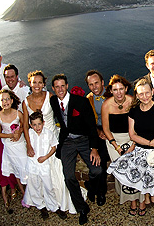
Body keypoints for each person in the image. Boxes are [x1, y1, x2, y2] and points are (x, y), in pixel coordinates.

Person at [107, 79, 154, 217]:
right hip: (141, 147)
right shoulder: (134, 112)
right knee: (127, 168)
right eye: (141, 94)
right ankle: (144, 196)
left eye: (147, 93)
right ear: (137, 95)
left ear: (152, 92)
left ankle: (148, 194)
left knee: (147, 167)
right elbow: (132, 135)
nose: (145, 96)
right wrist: (148, 143)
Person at [49, 74, 104, 225]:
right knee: (69, 177)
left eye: (62, 86)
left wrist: (94, 148)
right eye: (57, 87)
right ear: (53, 89)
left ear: (67, 86)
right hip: (67, 142)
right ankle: (82, 208)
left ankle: (92, 188)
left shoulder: (81, 102)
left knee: (97, 170)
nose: (60, 89)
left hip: (84, 139)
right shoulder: (53, 101)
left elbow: (92, 126)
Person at [22, 70, 71, 218]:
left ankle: (58, 204)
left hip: (50, 139)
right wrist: (28, 145)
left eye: (39, 82)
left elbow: (62, 115)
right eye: (34, 82)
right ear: (30, 83)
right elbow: (25, 125)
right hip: (35, 143)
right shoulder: (25, 101)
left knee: (55, 174)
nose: (37, 85)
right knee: (36, 176)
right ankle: (41, 203)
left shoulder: (50, 97)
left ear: (44, 84)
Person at [100, 75, 140, 213]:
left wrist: (133, 144)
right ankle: (128, 198)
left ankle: (136, 200)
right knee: (122, 169)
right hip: (113, 140)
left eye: (121, 89)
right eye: (115, 89)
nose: (118, 92)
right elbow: (105, 128)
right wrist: (116, 146)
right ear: (111, 90)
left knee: (134, 167)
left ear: (126, 88)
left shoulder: (133, 102)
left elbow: (139, 125)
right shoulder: (106, 105)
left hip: (132, 138)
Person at [0, 89, 29, 213]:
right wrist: (10, 136)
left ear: (12, 100)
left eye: (7, 99)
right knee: (16, 170)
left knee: (26, 166)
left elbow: (25, 125)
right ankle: (24, 194)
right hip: (9, 148)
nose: (5, 102)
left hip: (20, 145)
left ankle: (32, 190)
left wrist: (18, 132)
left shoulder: (18, 113)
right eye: (2, 100)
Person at [23, 111, 60, 220]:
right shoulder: (29, 133)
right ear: (31, 125)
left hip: (44, 164)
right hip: (32, 164)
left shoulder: (48, 133)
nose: (37, 127)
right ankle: (40, 206)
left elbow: (54, 147)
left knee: (48, 186)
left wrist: (46, 157)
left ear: (43, 123)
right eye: (34, 125)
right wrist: (28, 149)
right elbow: (27, 145)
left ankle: (53, 206)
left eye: (39, 124)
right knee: (34, 185)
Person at [84, 70, 109, 202]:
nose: (94, 87)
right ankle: (100, 192)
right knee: (100, 162)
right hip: (98, 133)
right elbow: (88, 122)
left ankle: (92, 187)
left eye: (96, 83)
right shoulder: (88, 100)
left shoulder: (112, 94)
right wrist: (98, 131)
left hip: (113, 131)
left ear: (102, 82)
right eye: (91, 84)